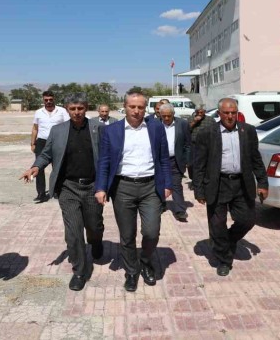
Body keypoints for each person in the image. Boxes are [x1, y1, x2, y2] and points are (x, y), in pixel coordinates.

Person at [19, 93, 104, 291]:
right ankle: (80, 271)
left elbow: (108, 155)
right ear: (67, 109)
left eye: (80, 108)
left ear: (86, 108)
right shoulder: (58, 130)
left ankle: (96, 240)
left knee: (94, 225)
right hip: (68, 188)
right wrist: (36, 167)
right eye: (72, 109)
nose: (77, 112)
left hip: (92, 187)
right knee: (73, 231)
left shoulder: (98, 128)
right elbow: (46, 153)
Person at [95, 92, 172, 292]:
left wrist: (168, 184)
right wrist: (101, 187)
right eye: (132, 107)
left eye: (140, 107)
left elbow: (164, 158)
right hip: (123, 188)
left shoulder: (156, 128)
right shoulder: (111, 131)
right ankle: (131, 271)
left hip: (150, 187)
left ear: (145, 108)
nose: (136, 111)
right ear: (125, 107)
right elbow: (104, 162)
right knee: (127, 234)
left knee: (151, 231)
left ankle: (145, 261)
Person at [191, 97, 268, 277]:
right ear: (219, 114)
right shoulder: (207, 133)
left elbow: (256, 159)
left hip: (242, 183)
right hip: (218, 184)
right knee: (217, 225)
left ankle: (227, 240)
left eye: (233, 112)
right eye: (226, 113)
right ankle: (224, 260)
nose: (230, 116)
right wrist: (199, 190)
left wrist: (262, 182)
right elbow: (199, 164)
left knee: (247, 220)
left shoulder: (248, 131)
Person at [31, 91, 70, 202]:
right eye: (46, 100)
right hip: (42, 142)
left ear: (54, 99)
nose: (48, 102)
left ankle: (57, 191)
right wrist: (32, 143)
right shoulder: (38, 112)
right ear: (43, 100)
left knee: (57, 166)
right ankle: (41, 193)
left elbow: (68, 126)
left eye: (50, 99)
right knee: (38, 167)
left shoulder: (62, 111)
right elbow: (35, 128)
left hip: (58, 141)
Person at [158, 103, 191, 221]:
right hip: (160, 161)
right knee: (159, 183)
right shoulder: (155, 125)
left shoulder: (182, 124)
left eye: (169, 116)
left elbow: (188, 144)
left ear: (173, 114)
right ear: (160, 115)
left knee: (176, 185)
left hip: (176, 160)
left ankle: (180, 210)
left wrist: (186, 160)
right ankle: (161, 205)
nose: (166, 118)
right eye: (164, 116)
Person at [187, 105, 216, 180]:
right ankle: (194, 179)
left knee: (204, 163)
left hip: (206, 145)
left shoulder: (210, 120)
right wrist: (194, 122)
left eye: (201, 112)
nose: (199, 114)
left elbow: (215, 131)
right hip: (193, 144)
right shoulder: (190, 119)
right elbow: (186, 130)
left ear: (205, 112)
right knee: (192, 164)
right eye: (198, 112)